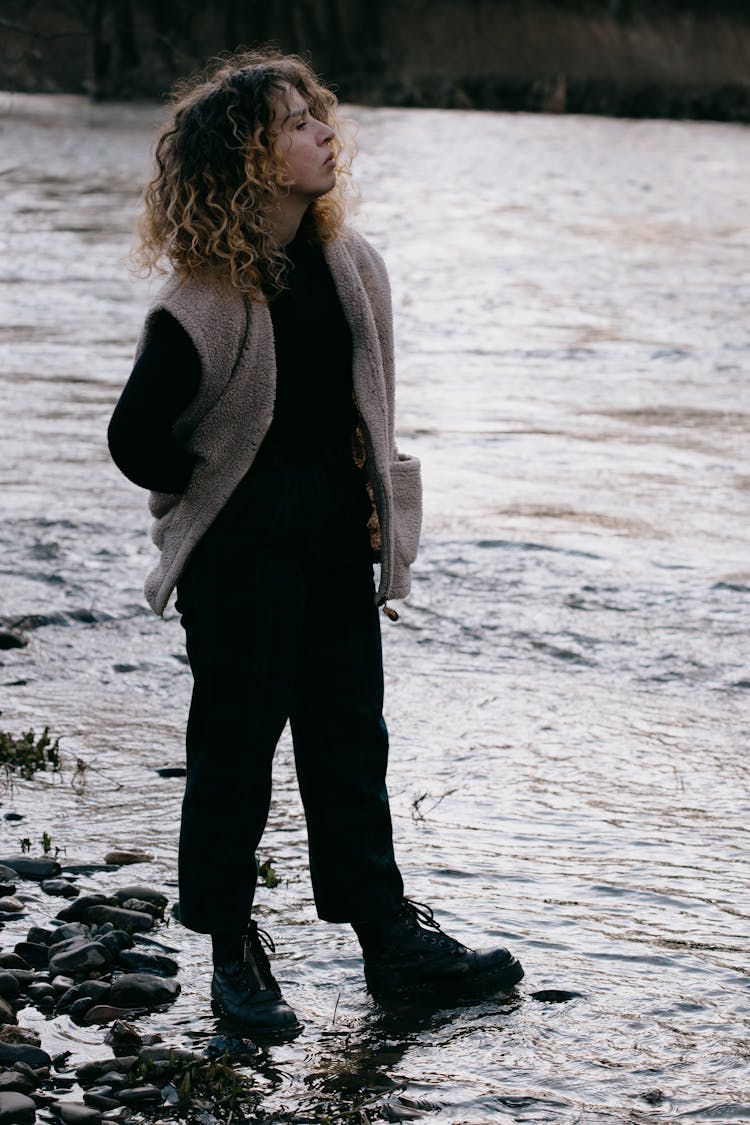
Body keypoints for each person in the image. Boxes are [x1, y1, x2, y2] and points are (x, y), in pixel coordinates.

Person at [108, 49, 523, 1037]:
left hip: (335, 538)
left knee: (348, 744)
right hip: (244, 548)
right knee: (237, 751)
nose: (323, 133)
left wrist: (374, 500)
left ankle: (389, 940)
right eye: (296, 123)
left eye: (317, 116)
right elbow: (133, 440)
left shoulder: (352, 266)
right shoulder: (202, 298)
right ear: (248, 159)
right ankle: (231, 949)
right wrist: (212, 490)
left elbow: (364, 406)